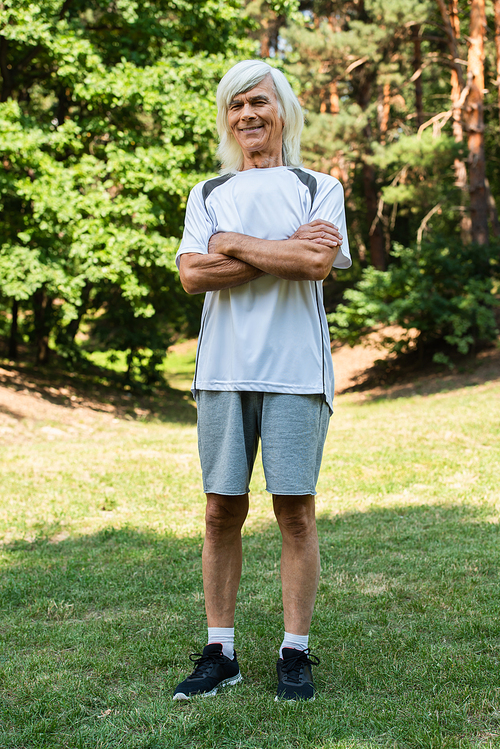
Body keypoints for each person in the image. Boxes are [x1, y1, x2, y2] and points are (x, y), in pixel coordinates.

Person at [172, 59, 351, 702]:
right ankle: (220, 651)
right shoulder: (206, 194)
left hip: (298, 375)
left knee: (294, 513)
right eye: (235, 106)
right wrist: (279, 250)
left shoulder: (318, 185)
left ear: (284, 111)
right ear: (227, 119)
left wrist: (231, 244)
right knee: (221, 511)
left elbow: (316, 262)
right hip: (221, 373)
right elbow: (192, 276)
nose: (247, 115)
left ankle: (294, 653)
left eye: (259, 103)